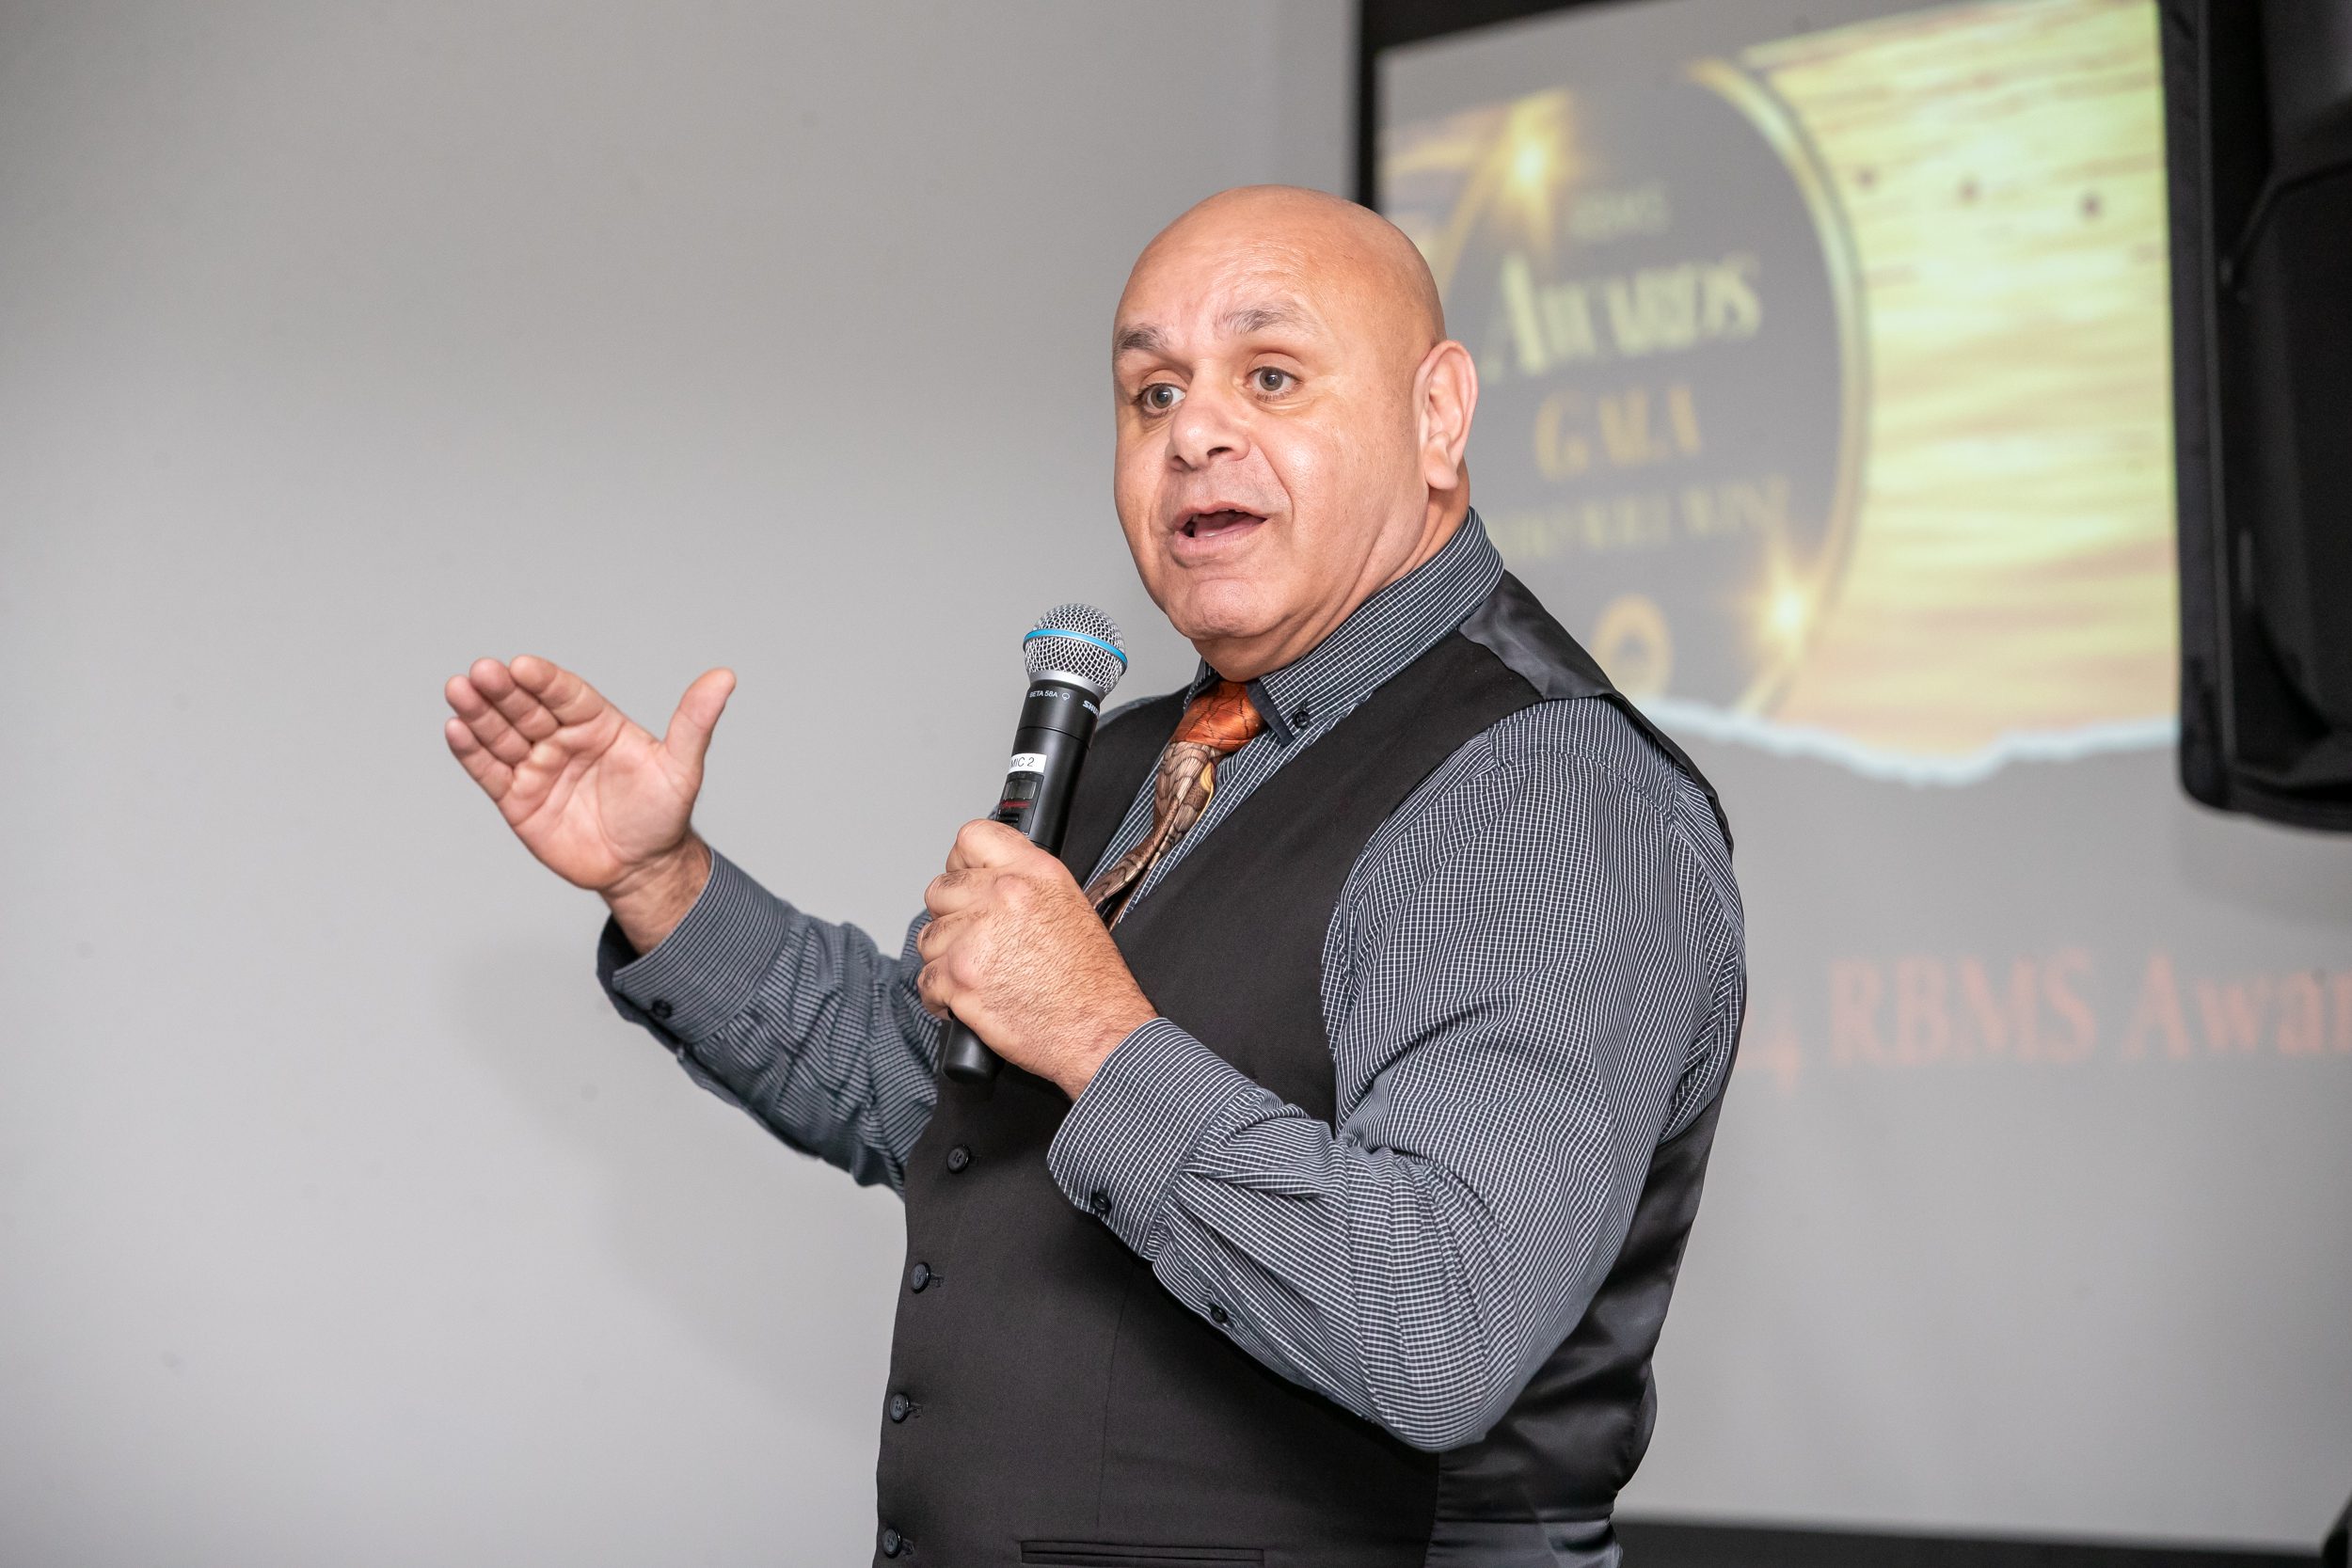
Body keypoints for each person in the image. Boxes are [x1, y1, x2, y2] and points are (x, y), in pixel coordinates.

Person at [444, 185, 1744, 1568]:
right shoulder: (1133, 755)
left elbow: (1437, 1327)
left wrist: (1095, 1034)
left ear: (1438, 415)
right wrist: (662, 879)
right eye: (1152, 393)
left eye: (1271, 375)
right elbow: (937, 1104)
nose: (1194, 433)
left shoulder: (1547, 788)